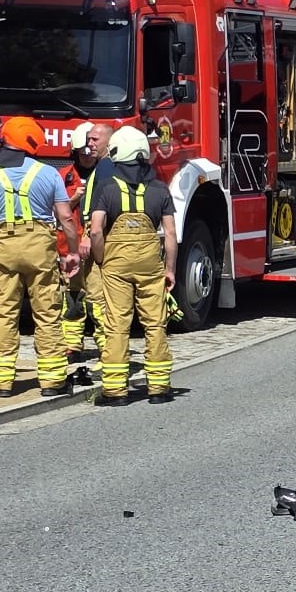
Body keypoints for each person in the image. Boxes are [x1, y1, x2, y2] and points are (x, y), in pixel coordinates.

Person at [0, 115, 80, 398]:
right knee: (47, 313)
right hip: (39, 246)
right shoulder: (49, 173)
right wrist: (73, 252)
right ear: (32, 141)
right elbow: (66, 217)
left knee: (4, 312)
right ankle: (53, 381)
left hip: (4, 245)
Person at [89, 125, 176, 406]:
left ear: (117, 153)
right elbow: (170, 234)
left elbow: (96, 230)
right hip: (150, 263)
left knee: (117, 323)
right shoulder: (160, 189)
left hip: (116, 264)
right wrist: (170, 270)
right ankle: (159, 389)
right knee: (155, 323)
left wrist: (101, 259)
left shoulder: (106, 187)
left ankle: (115, 392)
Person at [60, 121, 114, 358]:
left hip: (93, 242)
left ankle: (106, 347)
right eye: (82, 151)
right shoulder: (64, 176)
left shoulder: (104, 172)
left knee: (96, 298)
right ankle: (72, 344)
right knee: (72, 297)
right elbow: (56, 210)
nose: (87, 153)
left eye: (91, 147)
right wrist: (74, 198)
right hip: (69, 245)